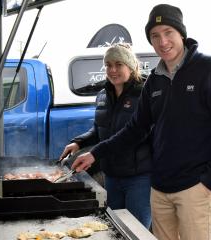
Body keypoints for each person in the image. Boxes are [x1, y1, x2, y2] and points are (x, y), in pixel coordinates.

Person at [71, 4, 211, 240]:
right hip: (160, 188)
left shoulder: (209, 69)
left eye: (168, 32)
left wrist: (210, 180)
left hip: (195, 188)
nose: (162, 42)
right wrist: (95, 153)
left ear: (181, 33)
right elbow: (135, 129)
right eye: (155, 36)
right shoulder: (154, 81)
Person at [60, 43, 152, 229]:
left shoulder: (143, 93)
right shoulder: (103, 95)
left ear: (131, 66)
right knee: (114, 228)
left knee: (136, 231)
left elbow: (135, 135)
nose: (112, 70)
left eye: (119, 64)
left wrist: (95, 153)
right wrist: (79, 142)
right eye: (108, 65)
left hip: (139, 178)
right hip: (111, 176)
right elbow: (99, 129)